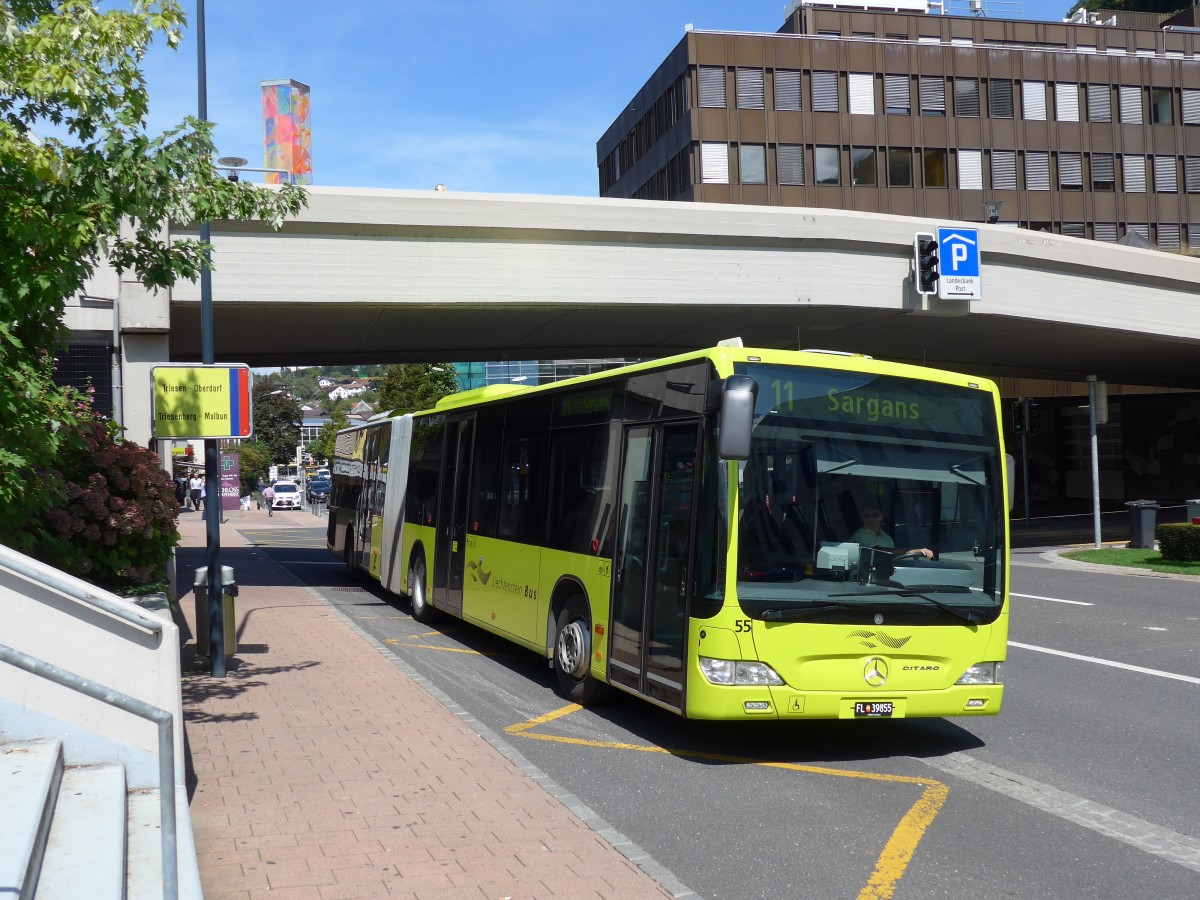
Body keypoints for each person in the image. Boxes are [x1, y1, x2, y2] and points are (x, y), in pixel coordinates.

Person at [851, 507, 932, 559]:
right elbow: (877, 551)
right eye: (866, 516)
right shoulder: (859, 535)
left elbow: (893, 557)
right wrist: (911, 551)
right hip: (862, 579)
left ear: (881, 517)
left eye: (874, 515)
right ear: (862, 518)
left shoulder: (887, 538)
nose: (871, 519)